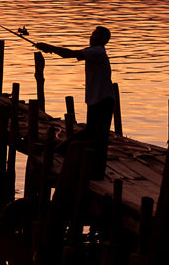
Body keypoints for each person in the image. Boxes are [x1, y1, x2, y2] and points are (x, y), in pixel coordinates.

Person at [34, 26, 114, 175]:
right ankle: (65, 149)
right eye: (92, 34)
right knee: (91, 132)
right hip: (96, 99)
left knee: (99, 137)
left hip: (103, 100)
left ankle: (97, 171)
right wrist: (50, 49)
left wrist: (48, 47)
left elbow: (69, 54)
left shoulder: (97, 52)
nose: (91, 37)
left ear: (103, 39)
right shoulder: (93, 52)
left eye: (95, 35)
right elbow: (69, 53)